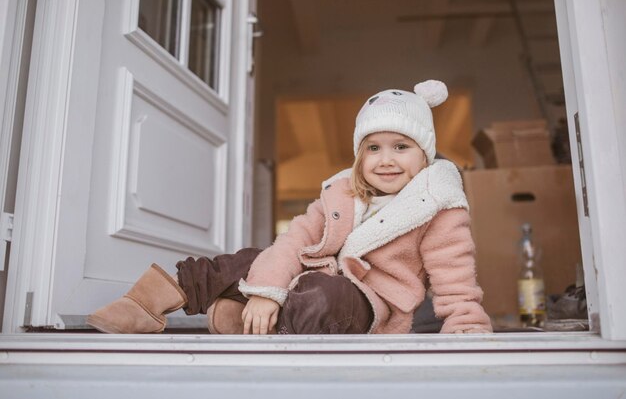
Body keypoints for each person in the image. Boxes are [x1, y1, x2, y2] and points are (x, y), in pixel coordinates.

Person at [87, 80, 493, 335]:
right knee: (249, 259)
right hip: (316, 276)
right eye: (373, 148)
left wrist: (466, 323)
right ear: (359, 156)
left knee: (322, 295)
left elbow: (453, 270)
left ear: (425, 155)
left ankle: (247, 322)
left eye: (401, 147)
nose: (386, 159)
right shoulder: (341, 194)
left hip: (371, 305)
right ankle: (147, 301)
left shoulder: (437, 204)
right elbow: (292, 242)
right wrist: (266, 289)